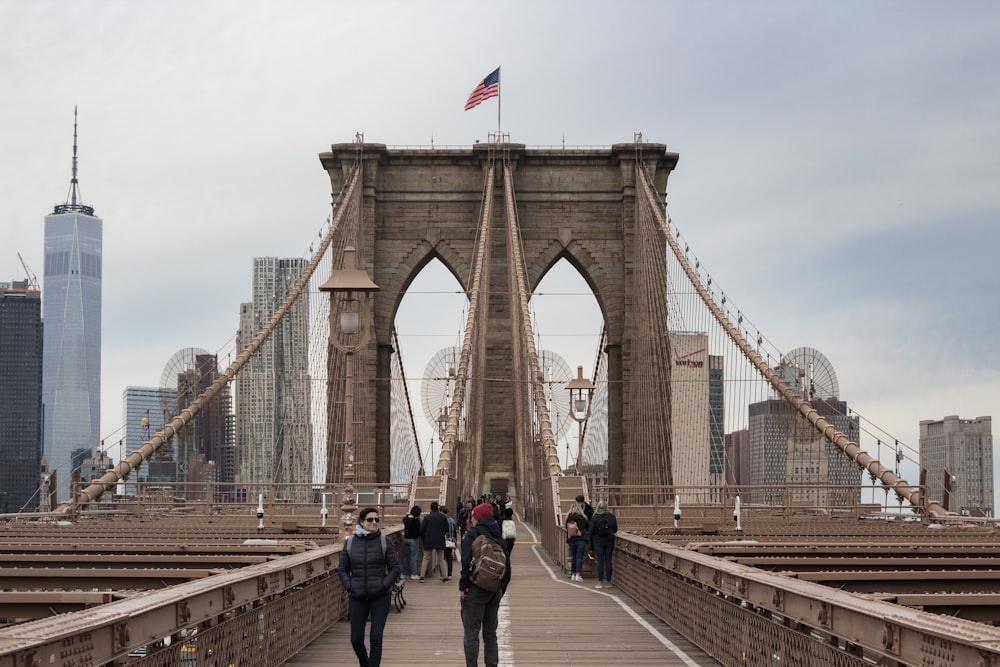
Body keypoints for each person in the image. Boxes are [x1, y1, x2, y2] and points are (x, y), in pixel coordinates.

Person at [338, 507, 401, 667]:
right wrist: (349, 585)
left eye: (376, 520)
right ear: (361, 522)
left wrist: (384, 584)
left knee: (376, 636)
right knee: (356, 639)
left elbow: (395, 567)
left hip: (380, 595)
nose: (373, 523)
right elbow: (342, 569)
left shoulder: (383, 541)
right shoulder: (351, 542)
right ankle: (365, 663)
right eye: (369, 520)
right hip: (357, 595)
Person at [460, 502, 511, 667]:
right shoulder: (499, 537)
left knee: (471, 634)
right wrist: (500, 589)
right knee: (490, 635)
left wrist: (464, 587)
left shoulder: (472, 535)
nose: (472, 518)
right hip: (494, 590)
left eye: (473, 516)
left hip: (475, 589)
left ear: (477, 518)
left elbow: (465, 564)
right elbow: (508, 569)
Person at [588, 500, 619, 589]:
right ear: (606, 507)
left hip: (598, 541)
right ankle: (609, 582)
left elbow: (591, 531)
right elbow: (615, 529)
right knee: (608, 560)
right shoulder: (612, 517)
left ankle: (600, 582)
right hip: (609, 541)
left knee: (600, 561)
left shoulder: (595, 517)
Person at [420, 501, 450, 582]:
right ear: (437, 508)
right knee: (441, 558)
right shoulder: (443, 517)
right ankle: (445, 577)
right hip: (439, 539)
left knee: (426, 558)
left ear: (431, 508)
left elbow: (422, 530)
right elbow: (447, 529)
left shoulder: (427, 518)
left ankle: (422, 577)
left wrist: (424, 537)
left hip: (429, 540)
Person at [565, 497, 590, 582]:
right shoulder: (582, 517)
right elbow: (586, 527)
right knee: (579, 557)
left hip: (572, 540)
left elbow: (566, 528)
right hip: (581, 539)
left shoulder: (569, 517)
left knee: (574, 557)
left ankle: (573, 574)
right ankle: (578, 575)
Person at [402, 506, 422, 580]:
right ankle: (414, 574)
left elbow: (405, 519)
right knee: (414, 557)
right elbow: (419, 531)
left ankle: (404, 573)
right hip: (414, 540)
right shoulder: (415, 521)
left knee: (406, 557)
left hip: (406, 539)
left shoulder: (406, 519)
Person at [441, 505, 458, 578]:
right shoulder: (452, 520)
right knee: (449, 558)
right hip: (451, 540)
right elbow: (454, 531)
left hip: (443, 540)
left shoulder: (441, 520)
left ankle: (442, 574)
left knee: (442, 558)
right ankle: (449, 574)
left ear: (441, 512)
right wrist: (455, 541)